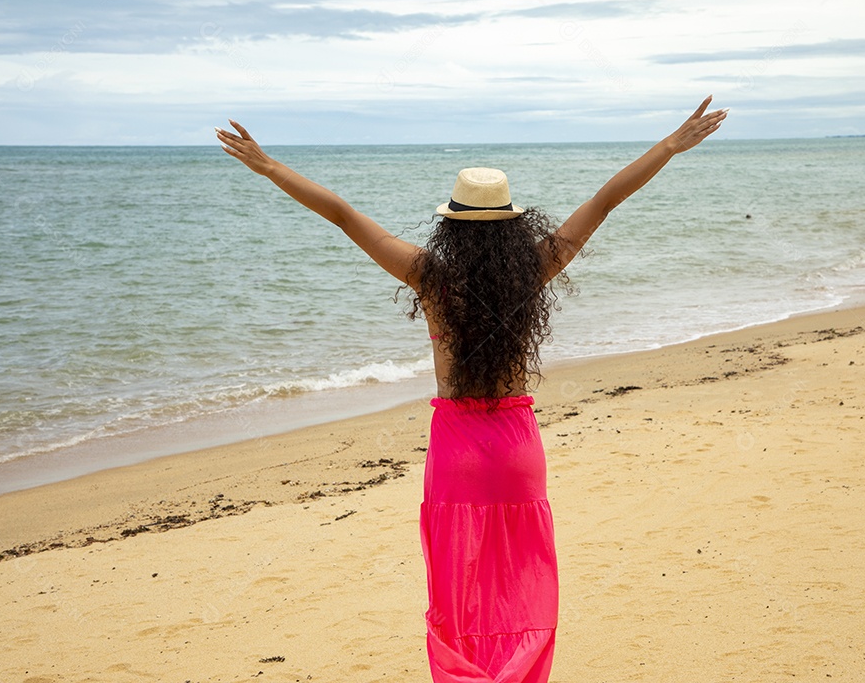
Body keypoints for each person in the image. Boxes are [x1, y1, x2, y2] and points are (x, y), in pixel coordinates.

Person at [215, 96, 727, 683]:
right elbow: (606, 201)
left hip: (458, 449)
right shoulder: (536, 266)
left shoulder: (428, 275)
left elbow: (342, 214)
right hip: (516, 448)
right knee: (521, 579)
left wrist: (270, 166)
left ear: (450, 224)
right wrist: (669, 145)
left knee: (459, 588)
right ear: (512, 224)